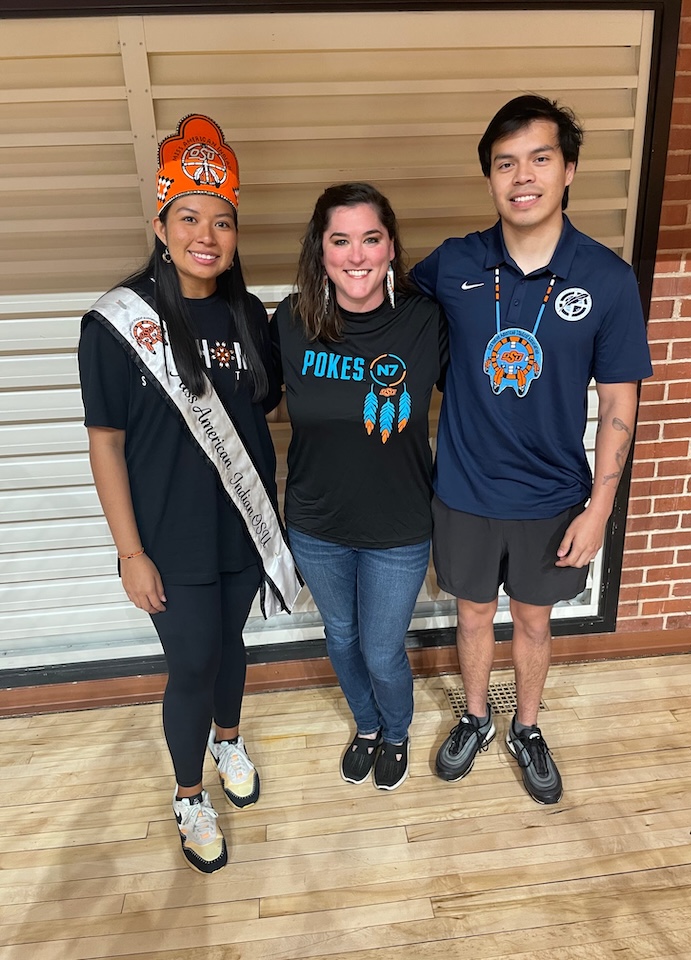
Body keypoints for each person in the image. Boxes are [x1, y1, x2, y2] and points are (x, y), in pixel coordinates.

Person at [410, 95, 652, 804]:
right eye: (505, 163)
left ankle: (528, 725)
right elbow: (383, 317)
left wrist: (600, 508)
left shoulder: (606, 279)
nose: (523, 176)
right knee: (474, 612)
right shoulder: (453, 264)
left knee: (537, 621)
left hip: (552, 497)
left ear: (568, 170)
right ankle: (477, 717)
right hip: (465, 489)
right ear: (489, 177)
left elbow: (617, 403)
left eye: (540, 159)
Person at [78, 114, 300, 873]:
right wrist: (129, 553)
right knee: (193, 662)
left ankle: (228, 741)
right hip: (169, 540)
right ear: (161, 223)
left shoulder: (249, 316)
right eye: (190, 218)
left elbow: (255, 415)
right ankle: (187, 793)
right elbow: (106, 441)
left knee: (230, 647)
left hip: (240, 528)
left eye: (223, 221)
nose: (207, 234)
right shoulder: (115, 324)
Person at [270, 182, 447, 791]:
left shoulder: (426, 322)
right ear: (321, 253)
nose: (356, 255)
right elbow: (246, 402)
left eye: (370, 239)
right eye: (340, 241)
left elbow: (487, 401)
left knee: (380, 648)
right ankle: (367, 725)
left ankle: (397, 729)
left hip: (398, 526)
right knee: (340, 636)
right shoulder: (292, 322)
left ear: (390, 247)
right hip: (317, 524)